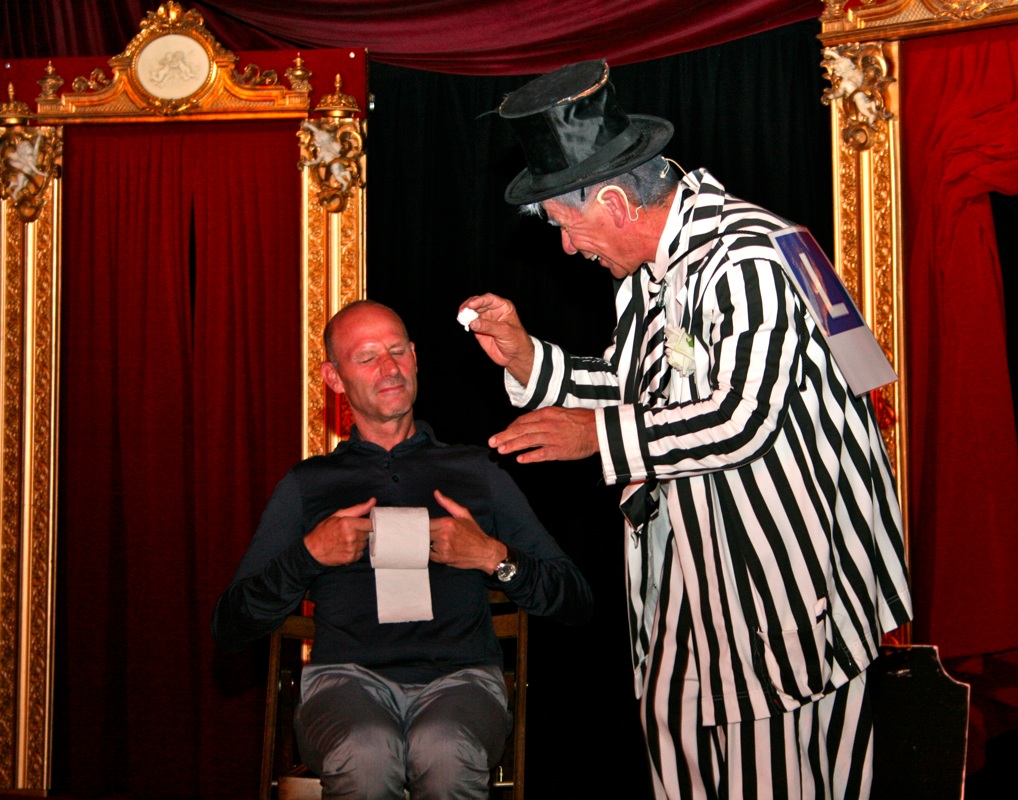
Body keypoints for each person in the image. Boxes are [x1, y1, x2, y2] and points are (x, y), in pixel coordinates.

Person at [460, 60, 911, 799]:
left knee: (783, 777)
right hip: (688, 579)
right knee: (678, 747)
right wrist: (526, 357)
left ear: (614, 202)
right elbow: (635, 386)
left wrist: (599, 437)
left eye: (568, 227)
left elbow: (741, 415)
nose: (569, 249)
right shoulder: (650, 271)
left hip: (781, 589)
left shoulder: (749, 257)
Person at [212, 300, 592, 800]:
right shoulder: (309, 484)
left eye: (397, 351)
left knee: (443, 748)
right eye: (367, 357)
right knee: (367, 750)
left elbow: (575, 601)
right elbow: (231, 626)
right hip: (344, 682)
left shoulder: (476, 471)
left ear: (415, 357)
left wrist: (492, 557)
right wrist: (307, 556)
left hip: (462, 681)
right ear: (334, 378)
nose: (389, 368)